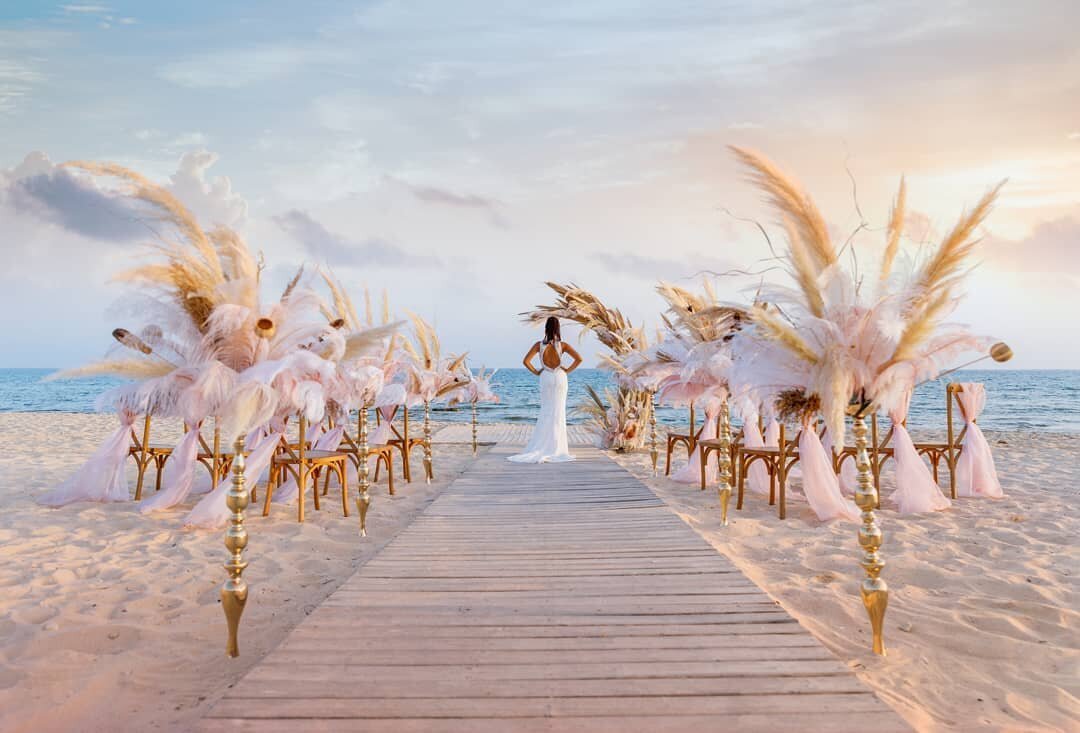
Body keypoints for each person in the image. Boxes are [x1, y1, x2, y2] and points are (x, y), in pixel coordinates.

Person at [508, 316, 582, 463]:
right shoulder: (563, 345)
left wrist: (536, 372)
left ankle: (543, 445)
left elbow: (526, 361)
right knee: (559, 411)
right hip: (560, 377)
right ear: (558, 329)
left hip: (546, 376)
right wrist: (567, 371)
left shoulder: (538, 345)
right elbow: (579, 359)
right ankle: (557, 447)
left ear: (546, 329)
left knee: (546, 410)